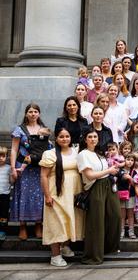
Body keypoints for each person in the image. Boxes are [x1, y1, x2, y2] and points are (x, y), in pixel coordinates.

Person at [39, 127, 84, 267]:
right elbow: (43, 176)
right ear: (56, 139)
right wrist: (47, 195)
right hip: (56, 193)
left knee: (71, 219)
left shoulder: (76, 152)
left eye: (67, 136)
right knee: (56, 222)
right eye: (61, 136)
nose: (65, 139)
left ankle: (64, 246)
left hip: (74, 193)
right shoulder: (50, 154)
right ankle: (55, 255)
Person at [77, 129, 120, 265]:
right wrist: (109, 170)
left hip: (108, 184)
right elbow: (89, 175)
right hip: (96, 187)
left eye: (95, 136)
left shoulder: (99, 153)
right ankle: (93, 255)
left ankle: (108, 248)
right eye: (90, 137)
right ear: (85, 139)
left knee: (115, 215)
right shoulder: (83, 154)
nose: (93, 139)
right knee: (97, 221)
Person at [10, 104, 50, 240]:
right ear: (26, 114)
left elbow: (48, 148)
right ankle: (22, 226)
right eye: (30, 111)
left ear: (39, 113)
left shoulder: (43, 130)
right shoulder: (19, 130)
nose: (33, 114)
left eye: (35, 111)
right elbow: (14, 149)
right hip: (23, 167)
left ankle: (38, 225)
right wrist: (12, 168)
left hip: (39, 167)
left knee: (39, 196)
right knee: (23, 195)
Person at [118, 153, 137, 239]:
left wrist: (130, 178)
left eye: (132, 160)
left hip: (131, 195)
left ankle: (131, 231)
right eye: (128, 159)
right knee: (122, 215)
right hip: (121, 195)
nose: (130, 162)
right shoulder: (119, 170)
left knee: (130, 215)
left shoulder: (134, 172)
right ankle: (121, 231)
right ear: (124, 160)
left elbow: (135, 184)